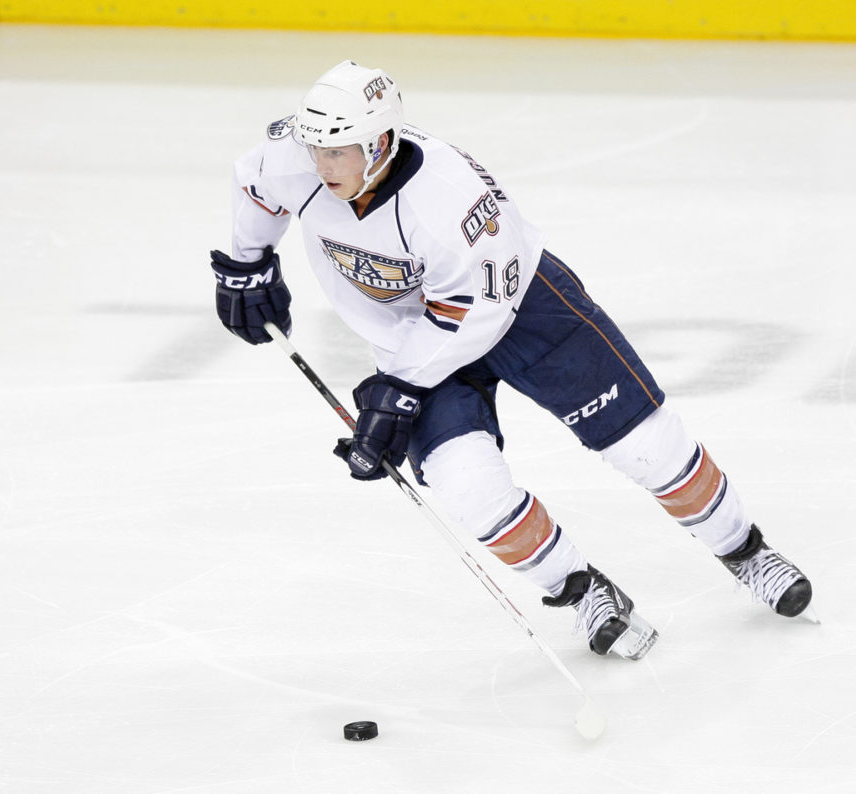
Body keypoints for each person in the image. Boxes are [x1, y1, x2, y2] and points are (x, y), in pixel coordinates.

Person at [210, 60, 813, 660]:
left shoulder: (452, 199)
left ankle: (746, 552)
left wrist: (399, 389)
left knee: (647, 446)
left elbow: (476, 313)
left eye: (338, 151)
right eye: (316, 148)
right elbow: (256, 184)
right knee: (467, 488)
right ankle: (583, 592)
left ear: (381, 143)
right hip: (413, 341)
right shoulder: (295, 157)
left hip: (525, 311)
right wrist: (247, 264)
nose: (321, 164)